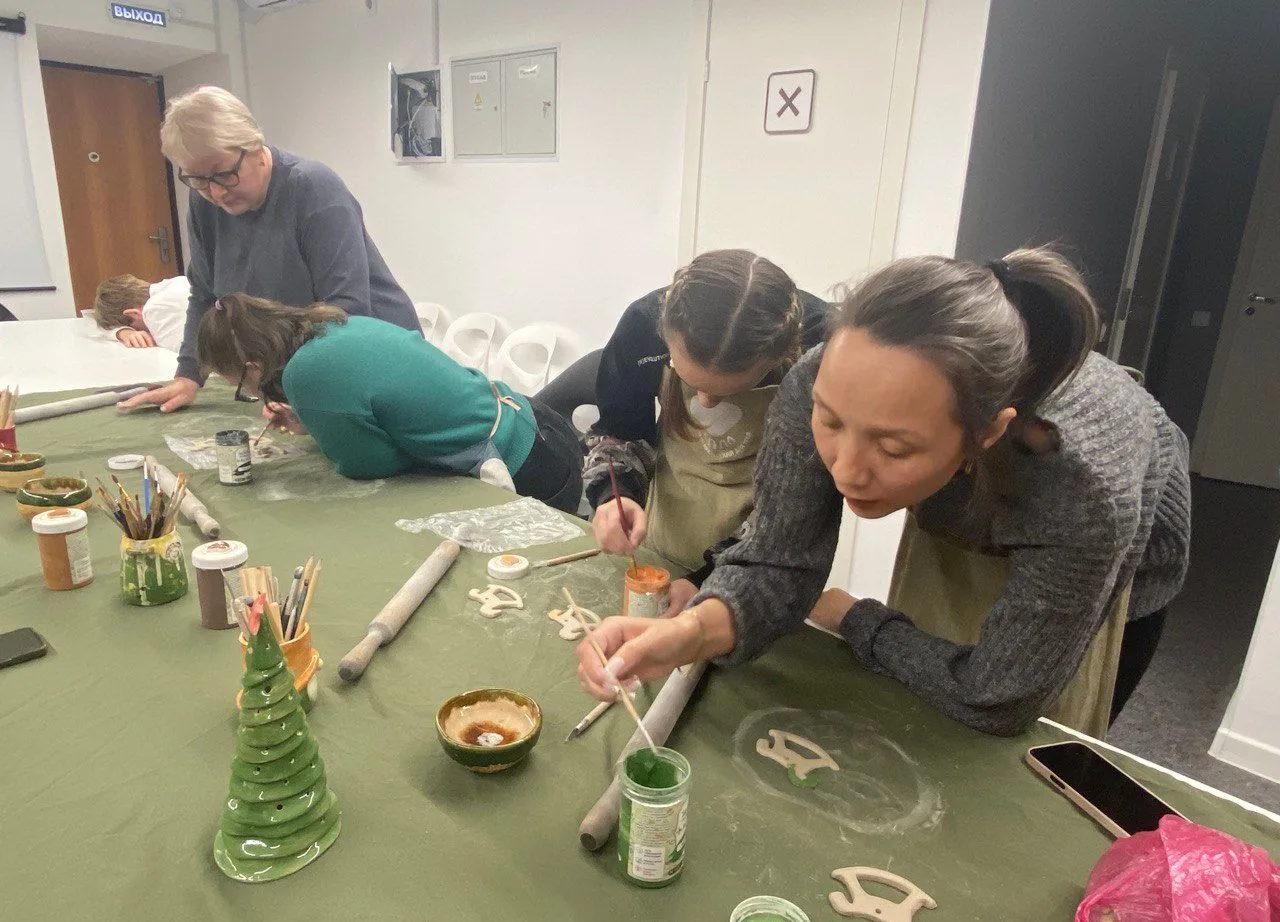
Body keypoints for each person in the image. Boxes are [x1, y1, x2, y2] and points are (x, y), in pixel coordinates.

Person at [577, 248, 1191, 738]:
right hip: (970, 484)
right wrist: (692, 632)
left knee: (1031, 734)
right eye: (830, 423)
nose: (846, 472)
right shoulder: (817, 381)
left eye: (893, 449)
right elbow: (777, 562)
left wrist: (856, 619)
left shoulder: (1083, 492)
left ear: (986, 433)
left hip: (1107, 550)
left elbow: (997, 697)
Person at [120, 86, 418, 414]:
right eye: (198, 179)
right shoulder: (204, 204)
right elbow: (206, 297)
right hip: (306, 362)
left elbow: (346, 311)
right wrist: (188, 375)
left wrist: (303, 392)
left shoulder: (313, 187)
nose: (215, 192)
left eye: (224, 174)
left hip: (377, 360)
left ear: (254, 145)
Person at [587, 249, 829, 613]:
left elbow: (798, 507)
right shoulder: (643, 326)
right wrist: (614, 495)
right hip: (668, 531)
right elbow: (618, 432)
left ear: (779, 356)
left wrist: (710, 580)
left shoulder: (822, 349)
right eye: (690, 380)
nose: (705, 403)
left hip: (761, 559)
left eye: (729, 390)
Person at [197, 294, 583, 512]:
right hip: (538, 423)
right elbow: (388, 405)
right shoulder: (332, 327)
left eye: (239, 385)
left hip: (528, 468)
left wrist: (329, 431)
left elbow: (370, 465)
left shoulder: (304, 371)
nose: (248, 391)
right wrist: (313, 422)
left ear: (253, 366)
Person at [89, 274, 190, 351]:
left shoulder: (153, 311)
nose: (143, 332)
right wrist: (123, 332)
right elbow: (103, 329)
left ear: (133, 313)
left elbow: (186, 361)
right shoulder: (178, 281)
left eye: (136, 328)